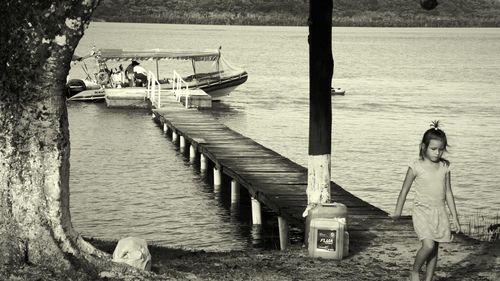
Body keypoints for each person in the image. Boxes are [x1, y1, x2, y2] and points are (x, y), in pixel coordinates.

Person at [393, 120, 460, 281]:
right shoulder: (416, 166)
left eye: (441, 150)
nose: (437, 153)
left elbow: (449, 193)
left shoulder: (445, 167)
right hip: (422, 211)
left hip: (439, 211)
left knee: (434, 248)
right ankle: (415, 271)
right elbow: (404, 190)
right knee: (428, 245)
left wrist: (455, 218)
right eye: (433, 149)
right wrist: (397, 212)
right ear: (424, 146)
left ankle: (428, 279)